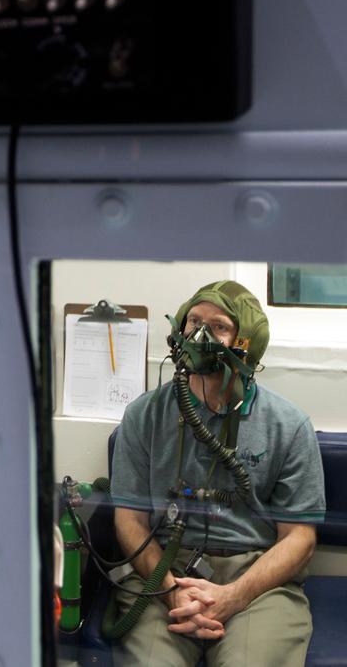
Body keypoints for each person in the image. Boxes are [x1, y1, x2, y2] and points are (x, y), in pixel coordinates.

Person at [109, 280, 325, 666]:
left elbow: (300, 538)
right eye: (193, 321)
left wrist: (235, 595)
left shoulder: (288, 425)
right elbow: (129, 520)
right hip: (162, 572)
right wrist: (171, 589)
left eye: (220, 326)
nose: (200, 334)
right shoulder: (144, 416)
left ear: (247, 342)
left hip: (257, 580)